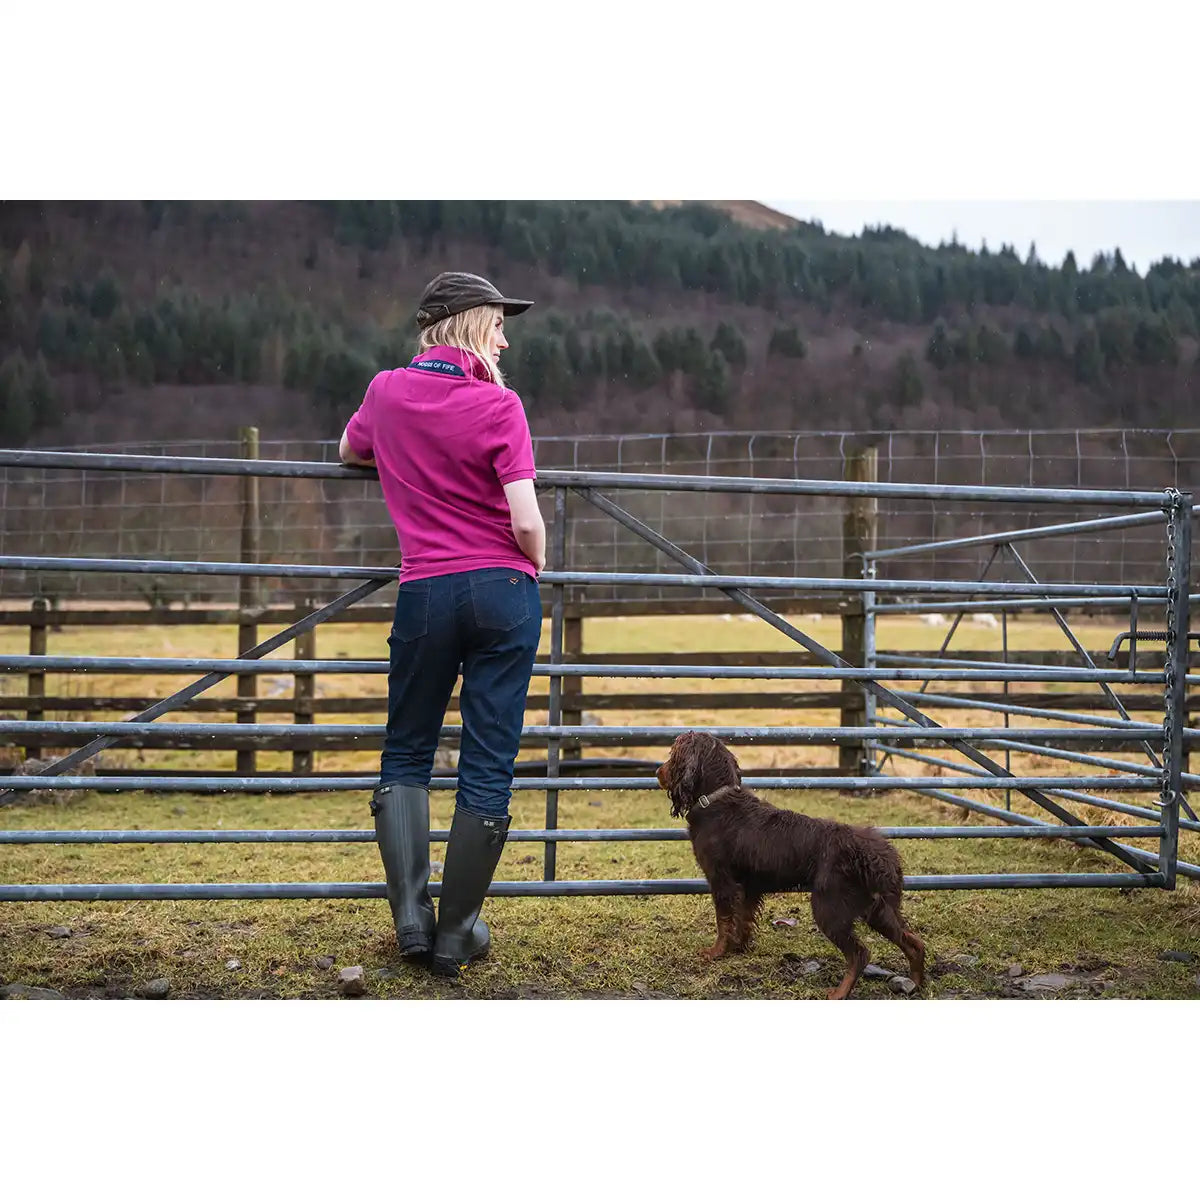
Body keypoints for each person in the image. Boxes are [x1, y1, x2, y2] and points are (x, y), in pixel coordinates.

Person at [339, 271, 546, 977]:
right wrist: (534, 562)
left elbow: (349, 451)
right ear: (469, 327)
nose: (504, 341)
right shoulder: (500, 404)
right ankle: (457, 931)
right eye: (497, 326)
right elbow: (525, 518)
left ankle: (411, 920)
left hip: (425, 590)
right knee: (488, 758)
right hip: (502, 590)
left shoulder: (386, 392)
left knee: (407, 750)